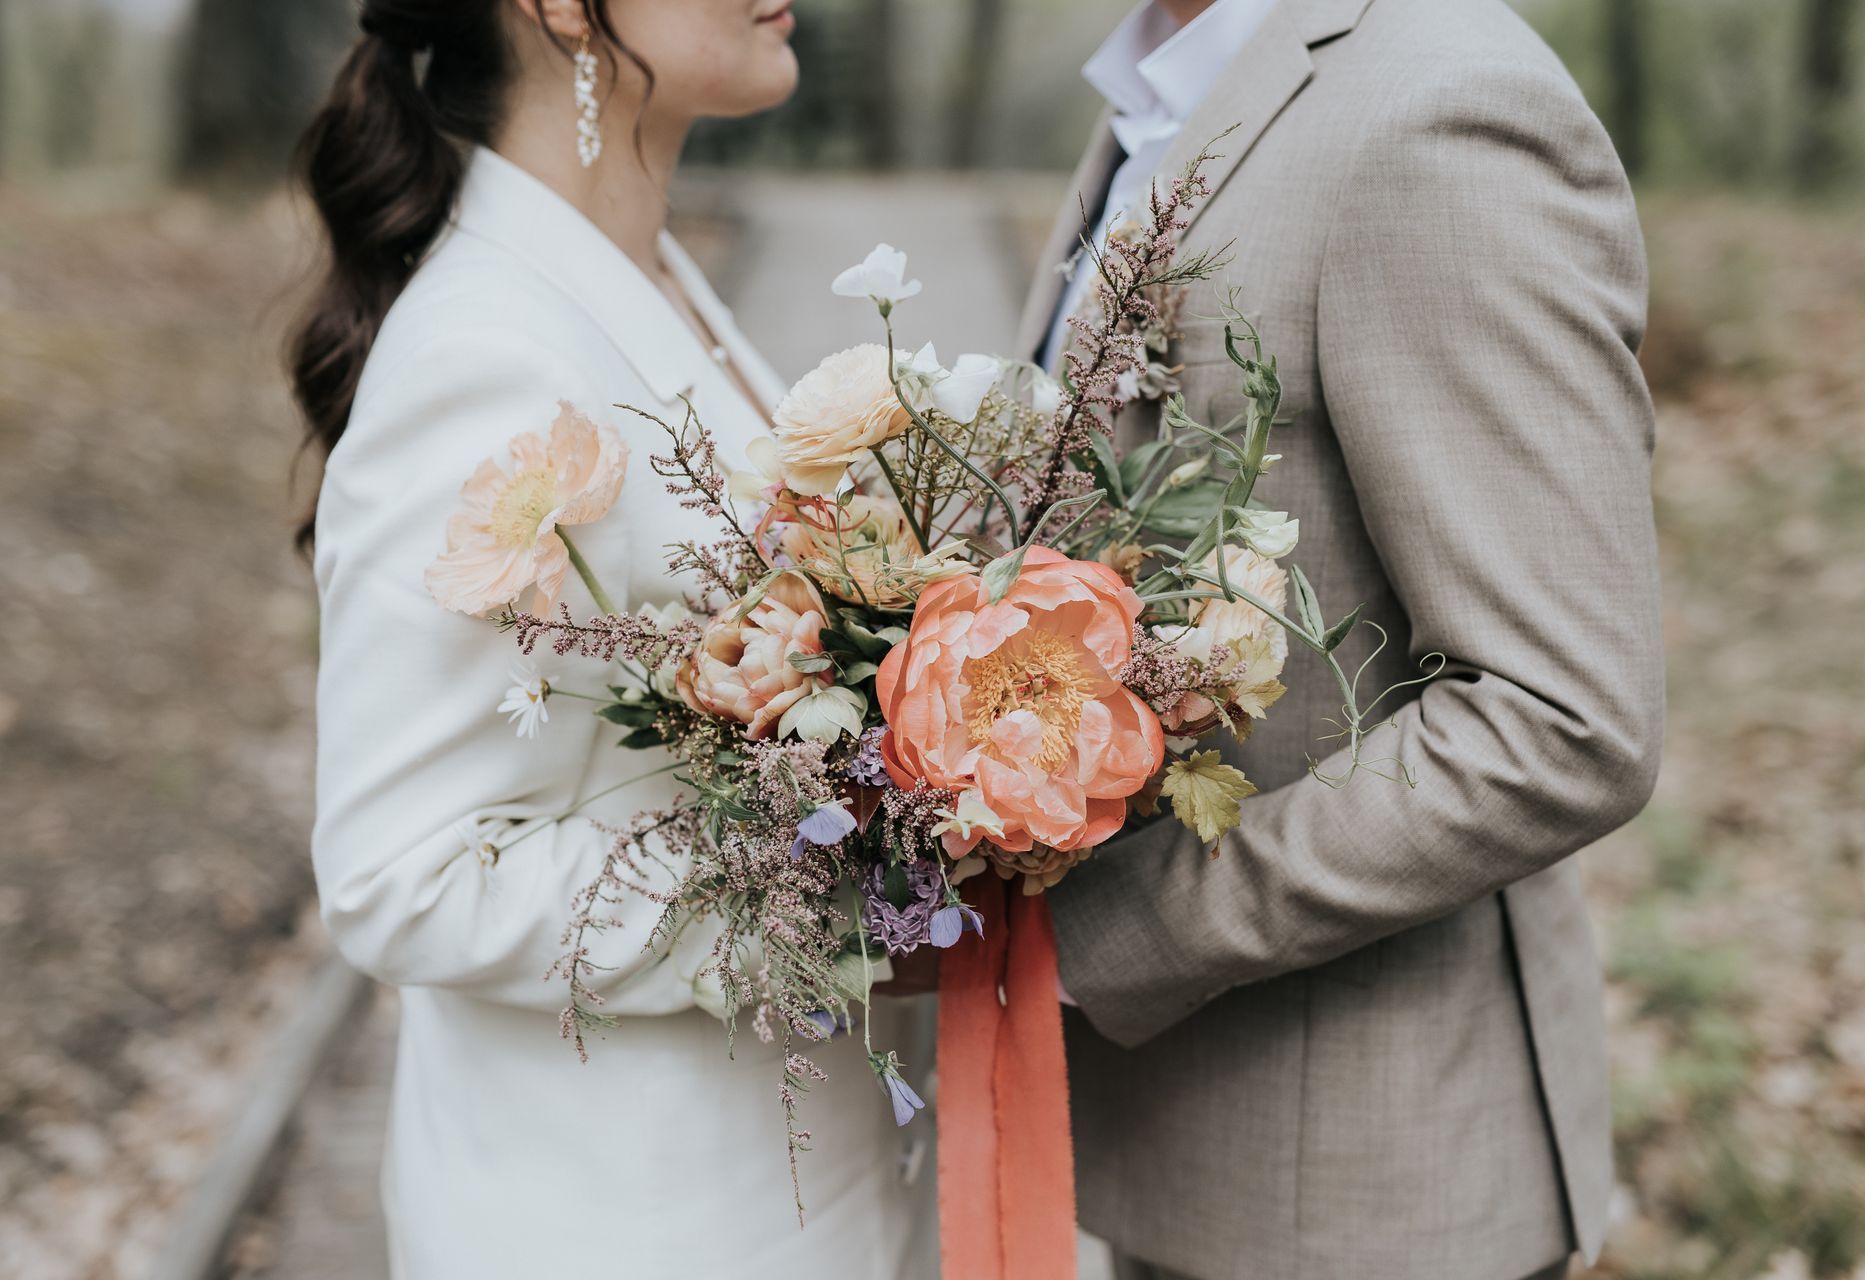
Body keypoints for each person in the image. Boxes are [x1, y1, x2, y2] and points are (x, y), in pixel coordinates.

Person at [1018, 0, 1664, 1277]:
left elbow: (1560, 720)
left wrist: (1101, 937)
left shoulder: (1443, 110)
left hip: (1367, 1188)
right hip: (1176, 1152)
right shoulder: (1160, 89)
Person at [293, 2, 928, 1276]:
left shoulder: (640, 274)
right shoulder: (489, 351)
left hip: (785, 1184)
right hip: (626, 1211)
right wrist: (853, 886)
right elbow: (403, 869)